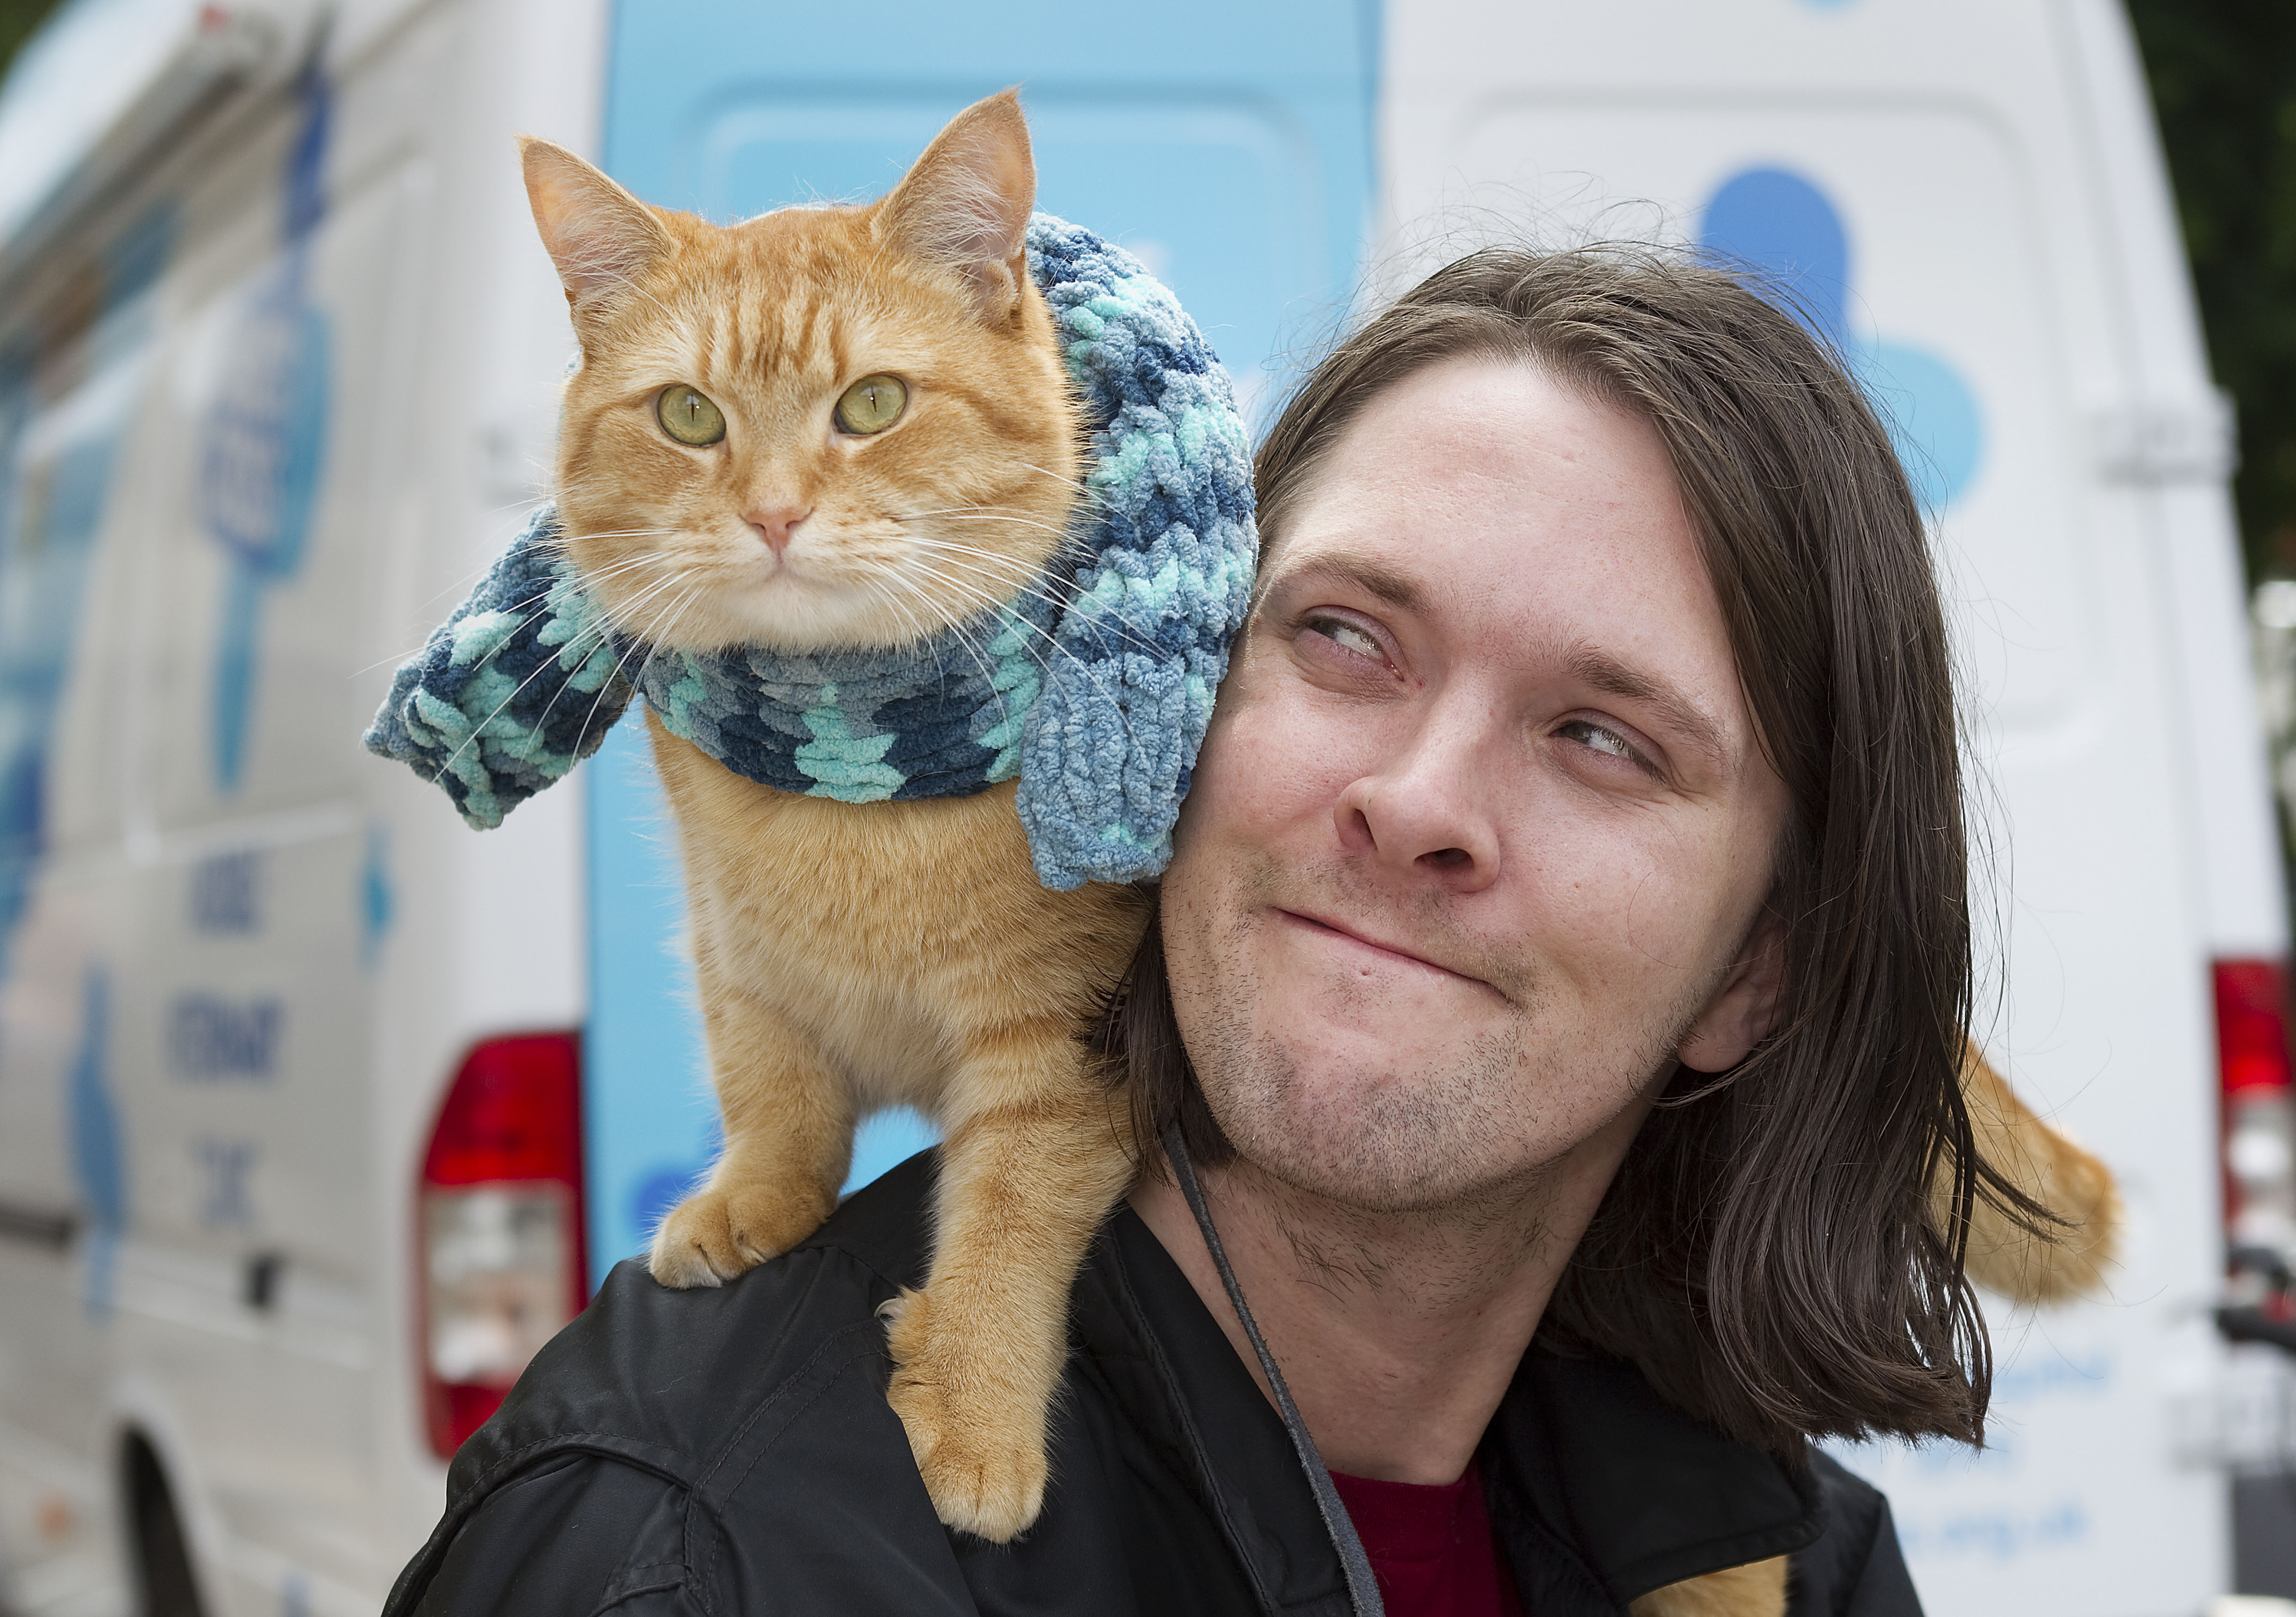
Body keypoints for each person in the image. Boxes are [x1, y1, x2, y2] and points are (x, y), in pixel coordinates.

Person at [384, 245, 2002, 1617]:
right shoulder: (690, 1555)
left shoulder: (1782, 1562)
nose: (1417, 799)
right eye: (1348, 638)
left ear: (1756, 972)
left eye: (1603, 737)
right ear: (1159, 679)